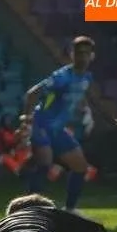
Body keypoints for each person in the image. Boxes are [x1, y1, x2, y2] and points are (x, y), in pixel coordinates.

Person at [21, 36, 95, 211]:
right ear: (72, 54)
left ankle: (70, 209)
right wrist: (27, 119)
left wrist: (87, 113)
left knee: (80, 167)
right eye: (79, 53)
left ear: (92, 56)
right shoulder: (62, 76)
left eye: (86, 53)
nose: (83, 57)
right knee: (45, 164)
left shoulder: (86, 77)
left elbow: (80, 95)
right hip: (42, 124)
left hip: (57, 129)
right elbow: (32, 94)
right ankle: (29, 210)